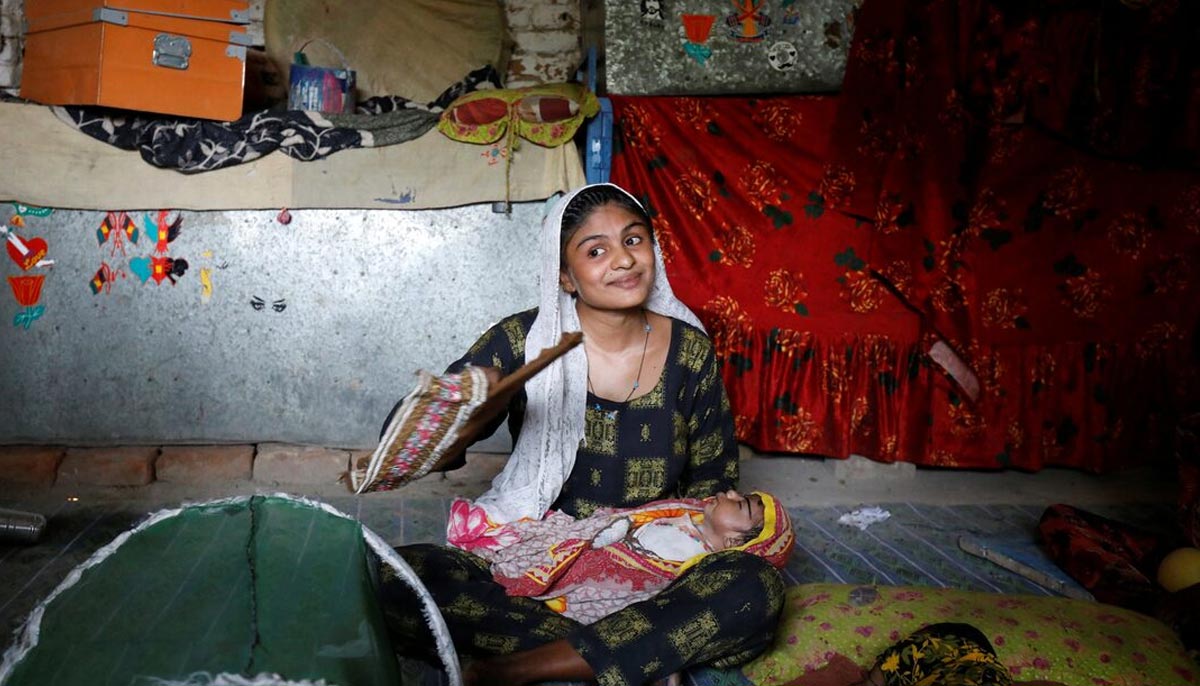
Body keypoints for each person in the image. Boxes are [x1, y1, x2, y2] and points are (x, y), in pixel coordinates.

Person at [377, 183, 786, 686]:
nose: (623, 261)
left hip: (651, 562)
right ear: (566, 277)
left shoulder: (689, 352)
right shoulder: (524, 342)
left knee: (753, 589)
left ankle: (517, 668)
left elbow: (714, 482)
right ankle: (637, 653)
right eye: (597, 251)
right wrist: (478, 406)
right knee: (398, 578)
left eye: (634, 241)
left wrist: (671, 551)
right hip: (534, 555)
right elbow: (411, 445)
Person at [453, 489, 793, 624]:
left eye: (741, 504)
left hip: (623, 572)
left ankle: (561, 595)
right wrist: (615, 530)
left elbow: (660, 591)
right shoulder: (684, 512)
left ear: (736, 539)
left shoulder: (703, 566)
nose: (731, 492)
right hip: (607, 545)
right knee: (550, 542)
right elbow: (632, 518)